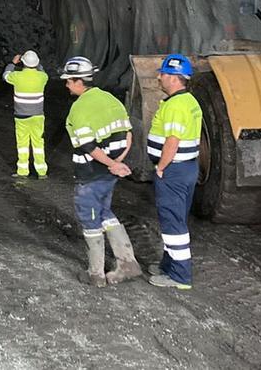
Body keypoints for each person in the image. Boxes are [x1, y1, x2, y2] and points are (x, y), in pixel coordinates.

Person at [60, 56, 142, 287]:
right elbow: (128, 134)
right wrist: (117, 162)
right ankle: (128, 263)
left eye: (69, 80)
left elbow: (88, 145)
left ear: (79, 81)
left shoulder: (79, 108)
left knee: (89, 217)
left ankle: (95, 274)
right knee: (104, 211)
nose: (66, 84)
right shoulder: (111, 100)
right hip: (109, 174)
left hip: (91, 173)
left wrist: (111, 164)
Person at [146, 53, 201, 290]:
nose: (159, 77)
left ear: (174, 77)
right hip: (186, 167)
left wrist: (161, 167)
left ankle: (180, 276)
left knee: (173, 223)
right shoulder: (188, 101)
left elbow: (172, 141)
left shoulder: (176, 106)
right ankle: (168, 265)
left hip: (173, 170)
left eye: (163, 74)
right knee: (176, 218)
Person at [3, 50, 48, 179]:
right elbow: (42, 70)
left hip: (21, 116)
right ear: (37, 63)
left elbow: (5, 75)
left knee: (22, 144)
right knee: (38, 143)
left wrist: (12, 63)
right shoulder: (43, 77)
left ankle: (23, 171)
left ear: (23, 62)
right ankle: (41, 171)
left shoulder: (16, 76)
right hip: (38, 116)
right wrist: (38, 65)